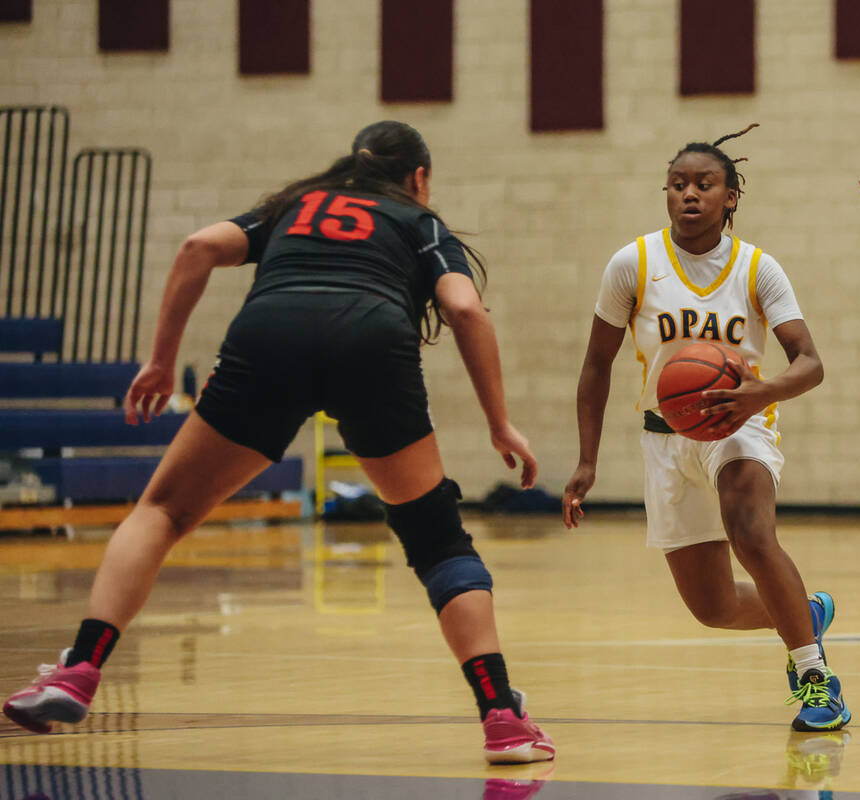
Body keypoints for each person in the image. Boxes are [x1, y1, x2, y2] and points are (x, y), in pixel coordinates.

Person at [2, 121, 554, 765]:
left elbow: (195, 247)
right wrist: (499, 421)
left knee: (161, 511)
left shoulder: (295, 206)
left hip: (271, 333)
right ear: (420, 178)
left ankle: (79, 670)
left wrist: (159, 362)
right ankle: (501, 718)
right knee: (437, 542)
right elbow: (464, 310)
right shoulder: (417, 221)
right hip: (370, 343)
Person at [562, 125, 850, 732]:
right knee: (712, 609)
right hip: (664, 437)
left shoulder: (757, 268)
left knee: (751, 535)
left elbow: (811, 363)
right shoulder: (632, 264)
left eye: (704, 183)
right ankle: (802, 612)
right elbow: (595, 365)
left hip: (739, 425)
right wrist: (586, 461)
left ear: (731, 197)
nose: (688, 194)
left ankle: (815, 676)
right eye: (677, 184)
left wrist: (759, 394)